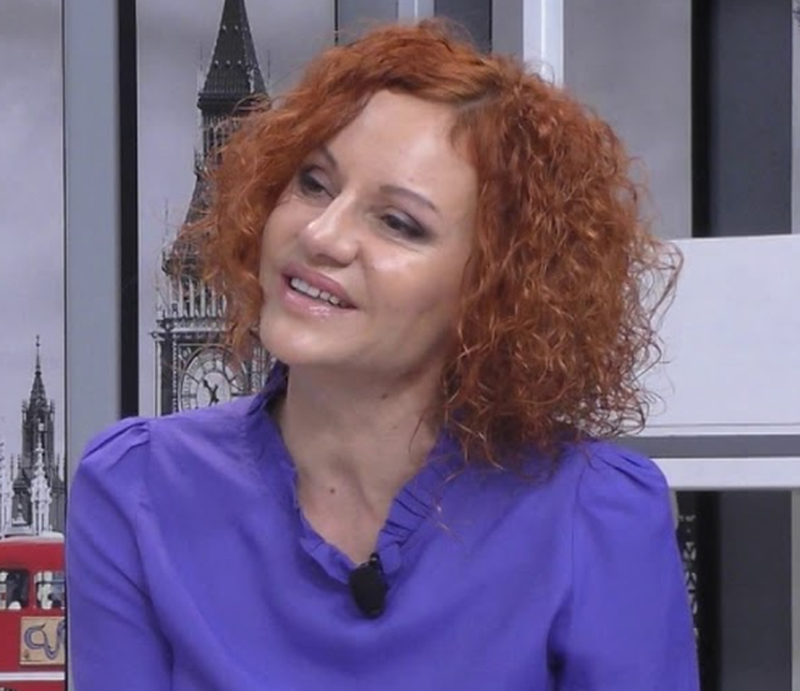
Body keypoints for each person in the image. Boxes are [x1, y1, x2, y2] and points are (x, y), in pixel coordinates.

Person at [67, 20, 699, 690]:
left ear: (495, 288)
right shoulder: (136, 489)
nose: (322, 234)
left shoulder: (595, 518)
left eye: (398, 222)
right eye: (314, 183)